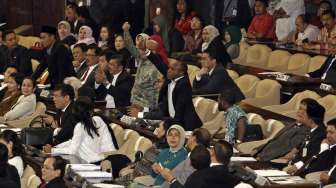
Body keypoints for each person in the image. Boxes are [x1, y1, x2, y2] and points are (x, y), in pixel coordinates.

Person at [144, 44, 202, 131]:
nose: (168, 71)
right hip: (171, 121)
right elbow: (159, 64)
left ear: (181, 73)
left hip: (185, 126)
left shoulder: (184, 86)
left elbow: (179, 114)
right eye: (169, 68)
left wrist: (165, 124)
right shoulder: (171, 76)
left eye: (172, 69)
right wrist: (146, 50)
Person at [44, 97, 116, 163]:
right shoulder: (98, 119)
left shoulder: (80, 126)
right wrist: (56, 148)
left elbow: (72, 150)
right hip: (107, 158)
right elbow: (73, 141)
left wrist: (52, 150)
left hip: (92, 163)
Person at [254, 98, 323, 162]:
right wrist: (257, 149)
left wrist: (261, 158)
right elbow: (273, 140)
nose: (300, 112)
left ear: (311, 115)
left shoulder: (305, 131)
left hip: (267, 160)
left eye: (304, 110)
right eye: (300, 108)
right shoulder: (293, 124)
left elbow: (285, 149)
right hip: (260, 154)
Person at [111, 119, 178, 183]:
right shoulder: (157, 145)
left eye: (159, 127)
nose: (157, 129)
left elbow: (149, 173)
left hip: (138, 180)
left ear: (165, 131)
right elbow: (144, 161)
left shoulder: (164, 152)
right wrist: (130, 167)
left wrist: (131, 173)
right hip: (134, 174)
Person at [122, 22, 161, 112]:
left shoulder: (156, 65)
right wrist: (126, 31)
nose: (139, 48)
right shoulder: (141, 59)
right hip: (134, 102)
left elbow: (157, 92)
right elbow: (129, 45)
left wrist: (147, 109)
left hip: (146, 106)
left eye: (142, 44)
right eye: (138, 42)